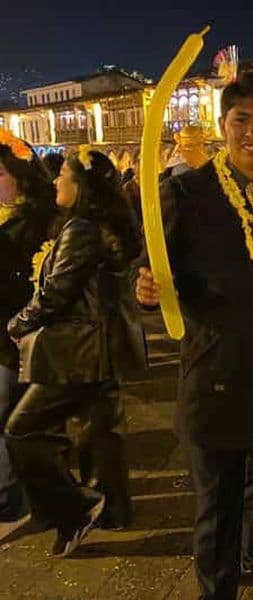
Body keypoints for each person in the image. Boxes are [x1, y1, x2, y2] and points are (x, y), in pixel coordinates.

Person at [135, 72, 253, 599]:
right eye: (242, 121)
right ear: (223, 125)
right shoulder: (185, 192)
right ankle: (219, 591)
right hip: (213, 375)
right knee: (218, 504)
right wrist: (143, 289)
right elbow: (149, 272)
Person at [5, 148, 144, 556]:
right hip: (99, 344)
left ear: (80, 184)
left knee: (22, 430)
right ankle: (113, 509)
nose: (54, 182)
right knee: (101, 430)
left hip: (77, 349)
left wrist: (17, 324)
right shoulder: (101, 223)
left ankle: (74, 506)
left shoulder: (82, 227)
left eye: (62, 175)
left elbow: (56, 292)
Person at [0, 134, 59, 523]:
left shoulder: (39, 219)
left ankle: (12, 495)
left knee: (15, 417)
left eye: (0, 172)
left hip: (21, 333)